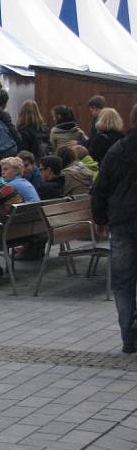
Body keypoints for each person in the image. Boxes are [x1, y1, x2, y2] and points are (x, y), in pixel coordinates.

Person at [92, 103, 137, 353]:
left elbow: (101, 188)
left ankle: (129, 337)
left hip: (121, 222)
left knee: (123, 281)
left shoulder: (116, 150)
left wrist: (100, 219)